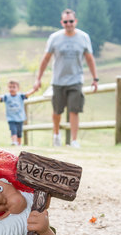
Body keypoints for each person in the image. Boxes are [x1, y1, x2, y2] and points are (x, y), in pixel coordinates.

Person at [35, 9, 99, 148]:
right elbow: (46, 59)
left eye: (71, 21)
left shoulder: (83, 37)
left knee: (74, 110)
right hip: (58, 80)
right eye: (66, 21)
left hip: (76, 80)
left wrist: (95, 78)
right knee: (57, 111)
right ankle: (56, 135)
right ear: (61, 23)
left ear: (75, 21)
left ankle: (74, 140)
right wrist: (38, 78)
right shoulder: (54, 38)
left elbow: (89, 59)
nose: (68, 24)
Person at [0, 80, 39, 146]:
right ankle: (14, 142)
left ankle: (19, 144)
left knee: (19, 133)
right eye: (10, 87)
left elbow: (28, 94)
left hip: (20, 118)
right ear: (8, 88)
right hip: (11, 118)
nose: (12, 89)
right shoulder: (6, 97)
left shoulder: (20, 96)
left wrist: (34, 89)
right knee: (13, 131)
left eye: (14, 87)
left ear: (18, 89)